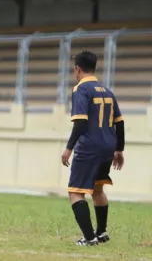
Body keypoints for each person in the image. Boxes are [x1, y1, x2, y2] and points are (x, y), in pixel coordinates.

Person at [61, 50, 125, 246]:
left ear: (77, 69)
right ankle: (102, 232)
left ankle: (89, 238)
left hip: (89, 146)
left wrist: (68, 148)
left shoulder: (81, 89)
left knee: (75, 191)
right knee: (97, 189)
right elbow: (119, 123)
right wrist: (119, 149)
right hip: (108, 146)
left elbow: (80, 124)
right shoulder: (107, 90)